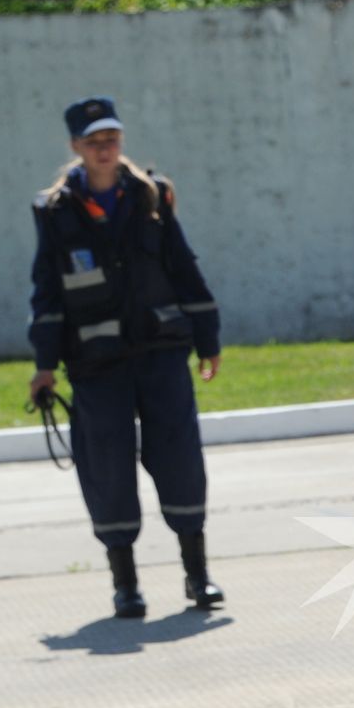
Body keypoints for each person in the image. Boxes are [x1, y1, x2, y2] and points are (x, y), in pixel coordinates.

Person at [28, 96, 225, 619]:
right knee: (108, 468)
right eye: (93, 141)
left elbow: (183, 268)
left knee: (179, 459)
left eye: (111, 138)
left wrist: (208, 337)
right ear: (75, 147)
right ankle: (126, 585)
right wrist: (44, 365)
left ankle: (198, 576)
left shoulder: (151, 196)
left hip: (161, 353)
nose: (104, 148)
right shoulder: (54, 211)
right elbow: (46, 292)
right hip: (96, 363)